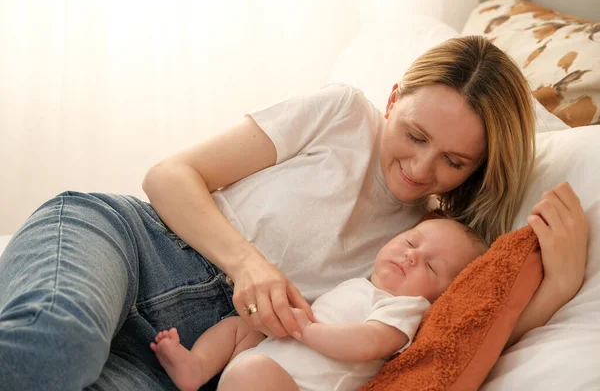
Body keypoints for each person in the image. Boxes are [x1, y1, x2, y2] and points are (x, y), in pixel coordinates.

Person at [0, 36, 588, 390]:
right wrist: (250, 265)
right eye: (413, 134)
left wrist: (559, 285)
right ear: (392, 98)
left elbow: (455, 337)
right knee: (60, 347)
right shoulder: (343, 112)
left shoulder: (432, 249)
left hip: (195, 358)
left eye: (454, 161)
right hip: (134, 243)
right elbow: (169, 177)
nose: (420, 168)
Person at [150, 217, 489, 391]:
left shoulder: (405, 307)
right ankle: (196, 367)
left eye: (431, 266)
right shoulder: (359, 283)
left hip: (294, 385)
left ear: (443, 296)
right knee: (244, 324)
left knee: (253, 371)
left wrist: (308, 329)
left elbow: (370, 342)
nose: (412, 256)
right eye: (410, 242)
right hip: (262, 365)